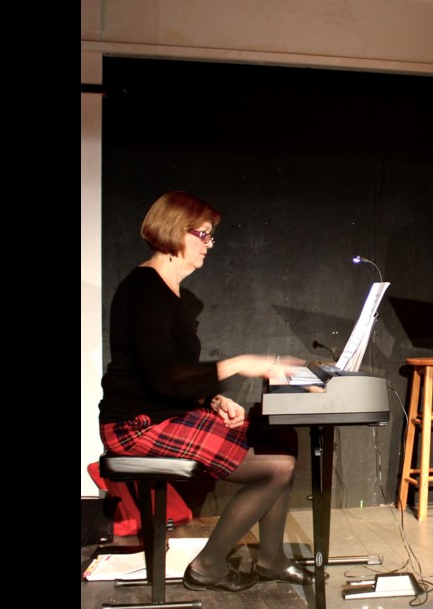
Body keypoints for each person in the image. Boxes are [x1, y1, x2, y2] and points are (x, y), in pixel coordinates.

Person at [99, 190, 314, 593]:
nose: (210, 245)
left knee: (278, 437)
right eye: (205, 235)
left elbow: (168, 374)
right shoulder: (144, 290)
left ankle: (270, 559)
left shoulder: (170, 292)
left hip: (163, 412)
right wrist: (237, 364)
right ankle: (208, 567)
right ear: (176, 232)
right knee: (276, 466)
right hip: (136, 426)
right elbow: (161, 379)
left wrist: (211, 400)